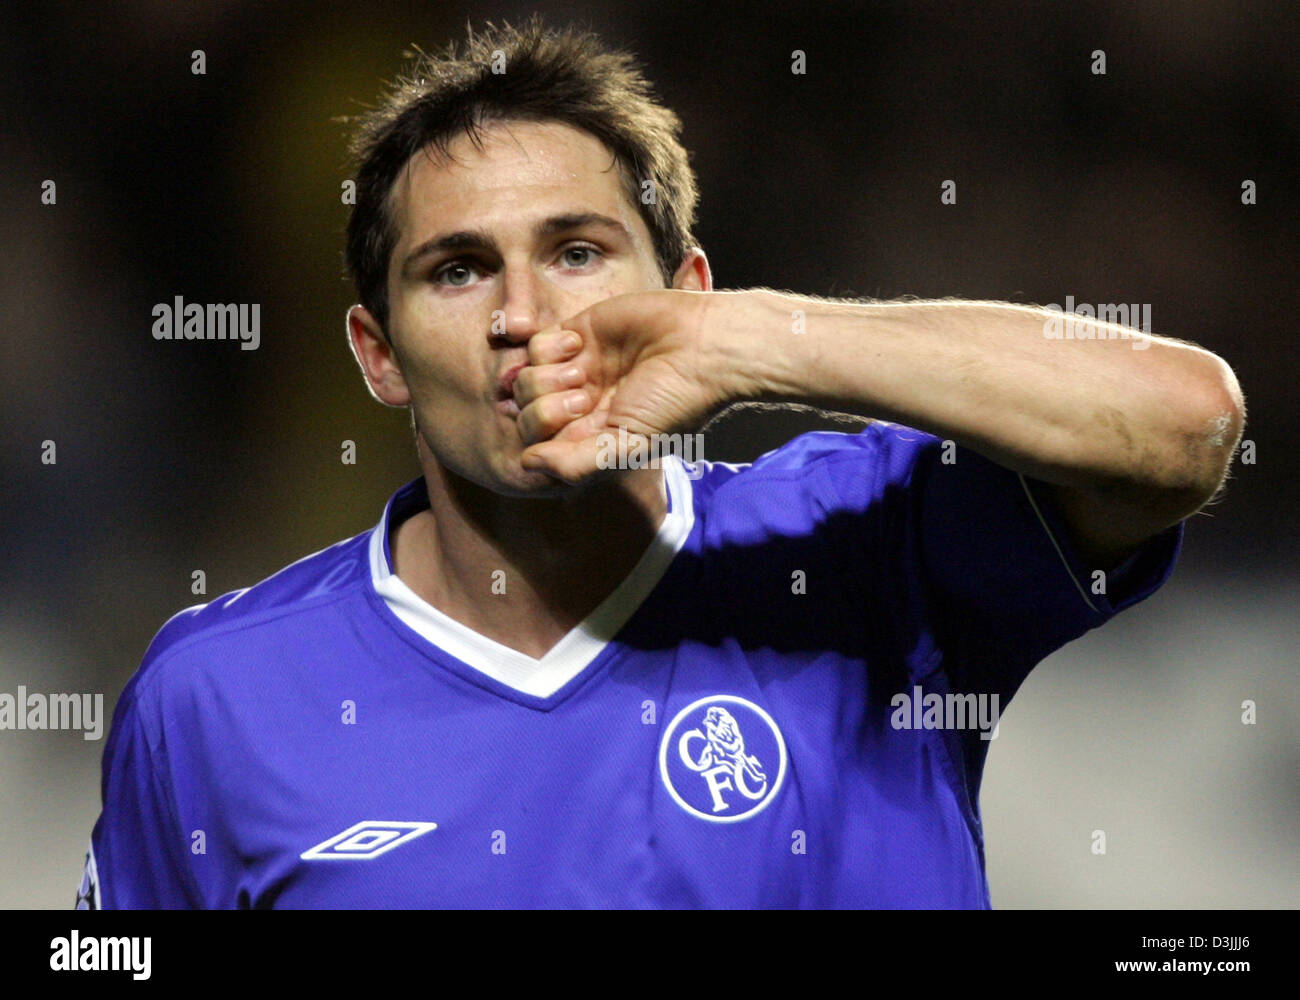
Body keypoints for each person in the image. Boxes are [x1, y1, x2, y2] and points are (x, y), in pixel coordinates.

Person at [78, 17, 1244, 909]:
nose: (524, 315)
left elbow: (1184, 423)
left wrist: (758, 341)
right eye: (457, 270)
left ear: (685, 295)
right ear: (379, 357)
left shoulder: (860, 541)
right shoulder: (216, 694)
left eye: (579, 251)